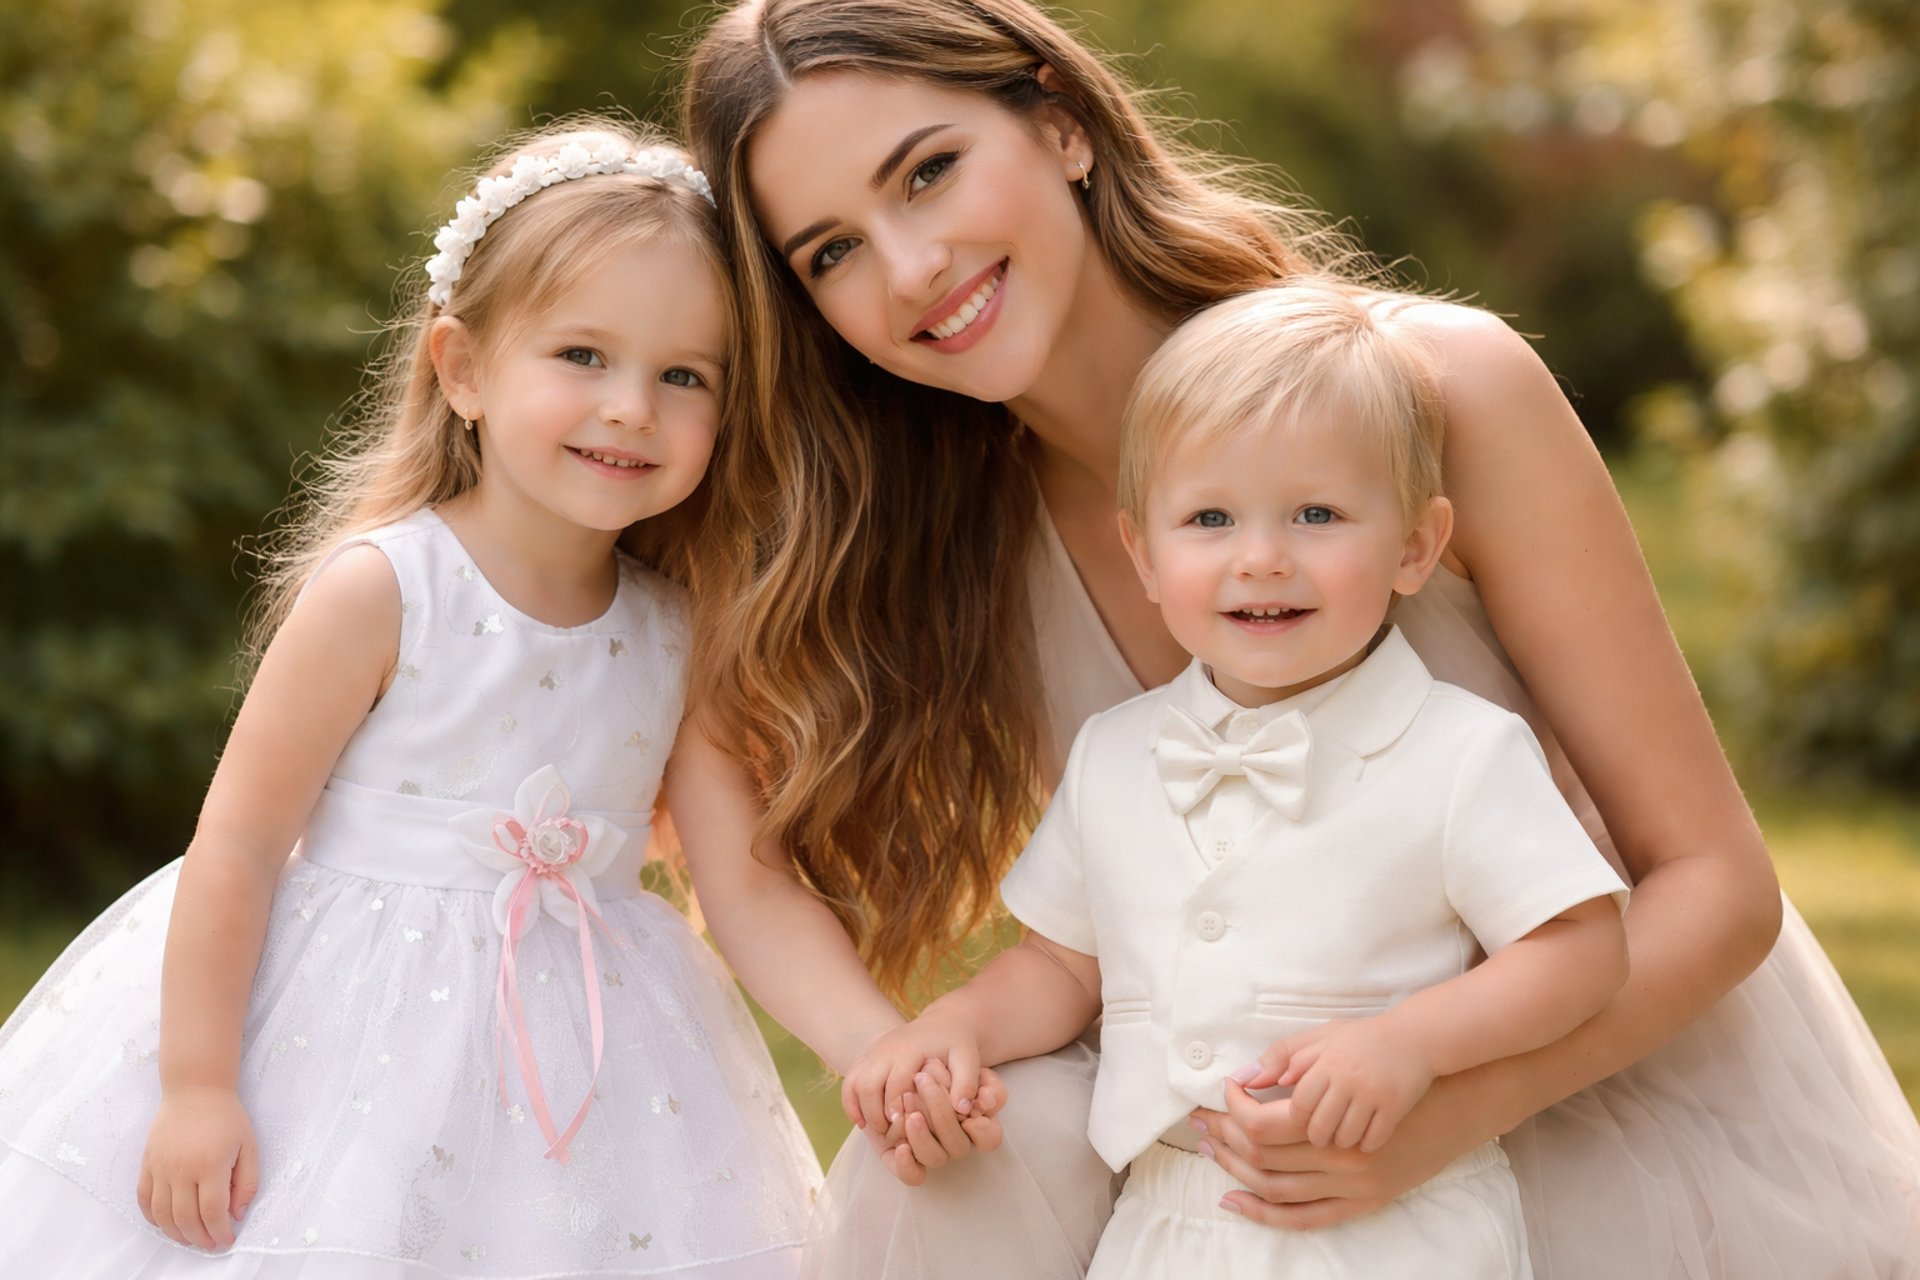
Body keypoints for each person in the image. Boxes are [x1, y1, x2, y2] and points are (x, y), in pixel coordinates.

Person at [670, 1, 1920, 1277]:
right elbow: (724, 787)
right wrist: (900, 1045)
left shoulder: (1441, 390)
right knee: (950, 1160)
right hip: (1254, 1170)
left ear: (1060, 125)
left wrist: (1435, 1113)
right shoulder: (935, 544)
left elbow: (1717, 886)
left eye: (929, 171)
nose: (911, 266)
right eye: (832, 253)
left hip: (1597, 1093)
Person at [0, 120, 820, 1279]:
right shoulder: (385, 588)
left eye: (683, 375)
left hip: (595, 1058)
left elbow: (740, 879)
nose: (633, 404)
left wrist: (876, 1047)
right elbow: (235, 844)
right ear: (465, 367)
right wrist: (197, 1085)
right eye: (582, 355)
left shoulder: (678, 629)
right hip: (339, 1037)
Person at [844, 281, 1634, 1278]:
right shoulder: (1116, 753)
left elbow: (1580, 946)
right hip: (1170, 1219)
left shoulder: (1459, 751)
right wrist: (955, 1022)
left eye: (1316, 513)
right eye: (1211, 518)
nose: (1261, 559)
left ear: (1415, 546)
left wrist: (1412, 1044)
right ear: (1144, 550)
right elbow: (1060, 967)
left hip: (1393, 1221)